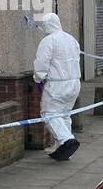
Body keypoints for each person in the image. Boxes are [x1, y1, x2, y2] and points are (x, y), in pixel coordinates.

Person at [33, 12, 82, 161]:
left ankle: (66, 140)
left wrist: (38, 78)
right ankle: (62, 147)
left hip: (57, 84)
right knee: (65, 115)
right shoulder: (71, 39)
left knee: (50, 114)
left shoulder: (48, 41)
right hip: (74, 82)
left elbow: (41, 63)